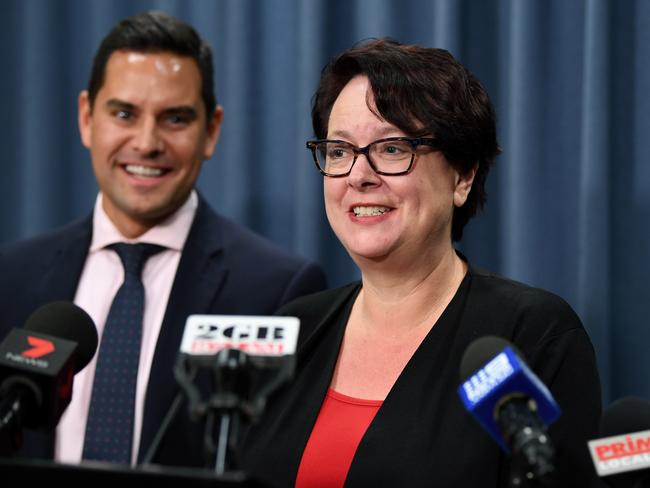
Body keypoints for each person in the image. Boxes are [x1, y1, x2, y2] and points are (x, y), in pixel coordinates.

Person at [241, 39, 603, 487]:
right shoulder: (294, 330)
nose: (359, 175)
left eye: (392, 148)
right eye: (339, 151)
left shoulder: (532, 335)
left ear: (463, 175)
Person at [0, 11, 326, 468]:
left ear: (211, 131)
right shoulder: (11, 278)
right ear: (86, 118)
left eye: (174, 118)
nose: (147, 143)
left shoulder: (279, 290)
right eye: (124, 114)